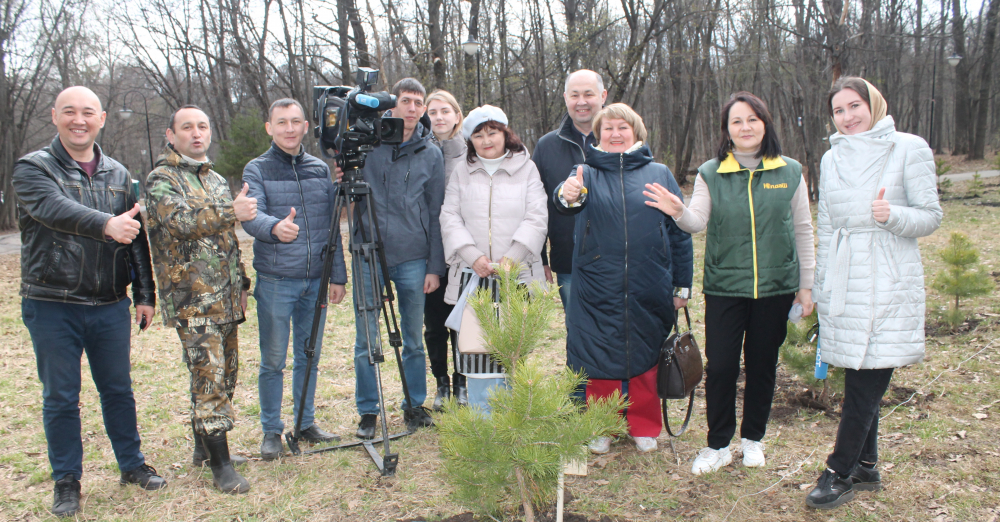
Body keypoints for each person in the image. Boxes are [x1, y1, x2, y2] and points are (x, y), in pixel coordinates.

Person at [13, 86, 166, 517]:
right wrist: (105, 224)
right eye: (69, 112)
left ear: (101, 118)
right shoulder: (32, 168)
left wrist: (145, 293)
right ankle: (67, 481)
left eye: (87, 113)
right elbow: (53, 208)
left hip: (108, 305)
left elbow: (134, 235)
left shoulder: (119, 173)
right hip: (52, 303)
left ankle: (132, 466)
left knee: (118, 390)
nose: (78, 120)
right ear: (54, 116)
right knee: (61, 397)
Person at [645, 92, 813, 471]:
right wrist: (678, 211)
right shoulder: (711, 172)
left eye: (752, 119)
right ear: (727, 131)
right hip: (725, 288)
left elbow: (803, 229)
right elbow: (697, 221)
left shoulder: (789, 171)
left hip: (776, 287)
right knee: (721, 367)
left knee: (762, 365)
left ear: (765, 123)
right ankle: (718, 444)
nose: (745, 127)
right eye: (737, 121)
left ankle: (753, 439)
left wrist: (807, 284)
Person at [805, 77, 941, 509]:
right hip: (845, 277)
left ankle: (839, 470)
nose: (847, 117)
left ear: (874, 104)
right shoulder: (831, 158)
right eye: (839, 110)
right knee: (862, 369)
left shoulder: (909, 147)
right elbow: (826, 225)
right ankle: (867, 466)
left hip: (888, 275)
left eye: (854, 106)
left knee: (867, 377)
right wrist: (824, 286)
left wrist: (893, 215)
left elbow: (930, 215)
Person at [556, 103, 693, 454]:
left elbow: (680, 232)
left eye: (623, 128)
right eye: (608, 128)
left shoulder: (659, 173)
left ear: (637, 133)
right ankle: (603, 425)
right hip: (597, 284)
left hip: (650, 281)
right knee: (598, 355)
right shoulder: (585, 171)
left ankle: (644, 425)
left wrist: (682, 285)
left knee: (646, 353)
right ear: (597, 135)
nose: (615, 134)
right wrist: (565, 195)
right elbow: (566, 199)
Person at [145, 105, 257, 494]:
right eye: (187, 127)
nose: (196, 133)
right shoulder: (162, 178)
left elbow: (227, 241)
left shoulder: (216, 180)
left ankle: (204, 451)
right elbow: (179, 224)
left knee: (226, 374)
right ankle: (221, 467)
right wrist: (232, 211)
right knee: (208, 380)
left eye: (203, 126)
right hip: (193, 301)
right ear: (170, 135)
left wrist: (241, 283)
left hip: (224, 299)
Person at [241, 98, 347, 460]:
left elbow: (333, 227)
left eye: (296, 121)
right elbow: (250, 216)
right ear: (269, 127)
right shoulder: (256, 169)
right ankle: (272, 430)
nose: (289, 128)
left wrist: (337, 276)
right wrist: (274, 228)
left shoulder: (320, 169)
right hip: (276, 281)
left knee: (309, 355)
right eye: (281, 122)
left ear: (306, 127)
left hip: (315, 281)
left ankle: (305, 422)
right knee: (273, 360)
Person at [351, 78, 445, 438]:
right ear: (391, 105)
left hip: (413, 256)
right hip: (368, 251)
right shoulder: (367, 145)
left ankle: (414, 404)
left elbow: (436, 211)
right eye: (405, 100)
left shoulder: (430, 153)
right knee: (366, 339)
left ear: (423, 109)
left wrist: (435, 266)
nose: (412, 107)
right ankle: (368, 411)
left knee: (413, 338)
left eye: (418, 102)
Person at [439, 104, 548, 322]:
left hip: (519, 275)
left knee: (514, 351)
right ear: (471, 141)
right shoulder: (461, 172)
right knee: (473, 350)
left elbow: (537, 216)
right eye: (478, 136)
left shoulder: (528, 169)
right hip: (471, 274)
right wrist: (473, 256)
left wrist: (513, 257)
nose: (486, 141)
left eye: (492, 133)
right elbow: (449, 217)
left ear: (505, 134)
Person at [533, 70, 608, 309]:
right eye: (575, 95)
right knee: (577, 333)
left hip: (618, 260)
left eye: (589, 94)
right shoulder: (546, 147)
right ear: (566, 98)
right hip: (569, 261)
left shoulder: (620, 140)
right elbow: (536, 206)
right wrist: (540, 259)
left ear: (603, 96)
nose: (582, 102)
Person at [423, 90, 469, 409]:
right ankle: (442, 383)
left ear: (457, 115)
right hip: (430, 253)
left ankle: (464, 382)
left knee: (463, 323)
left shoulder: (471, 153)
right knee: (435, 322)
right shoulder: (421, 151)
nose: (438, 117)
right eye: (432, 112)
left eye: (445, 111)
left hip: (463, 253)